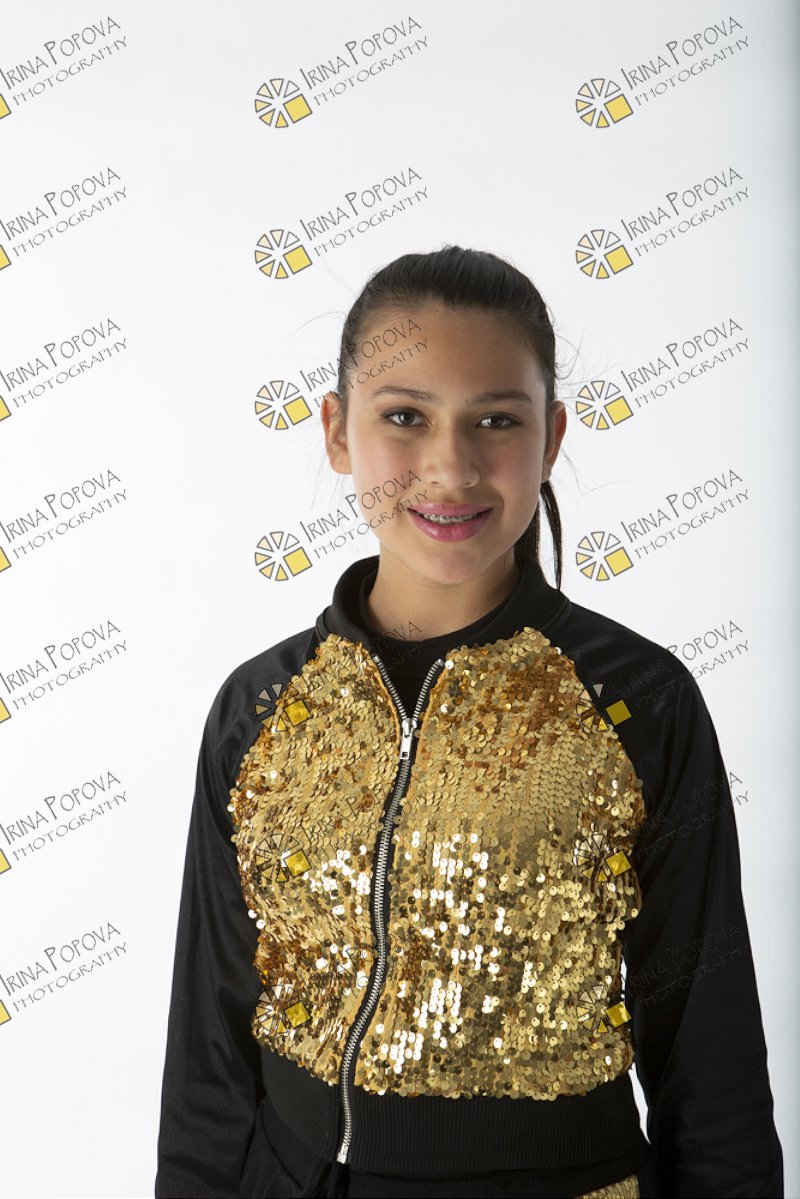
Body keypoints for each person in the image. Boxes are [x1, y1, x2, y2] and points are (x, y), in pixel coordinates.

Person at [154, 246, 784, 1199]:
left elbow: (711, 1054)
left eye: (496, 419)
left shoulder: (637, 701)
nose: (450, 468)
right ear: (337, 432)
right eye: (405, 416)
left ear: (552, 436)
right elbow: (210, 1049)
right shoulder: (261, 706)